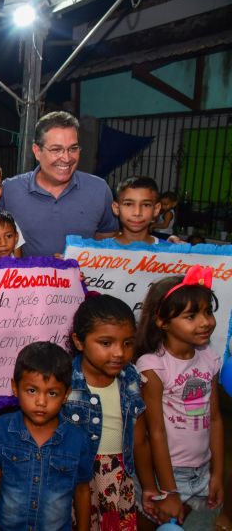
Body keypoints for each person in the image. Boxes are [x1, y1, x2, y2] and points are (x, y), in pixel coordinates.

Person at [0, 342, 94, 531]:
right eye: (32, 391)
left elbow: (82, 491)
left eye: (52, 393)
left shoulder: (77, 438)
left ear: (66, 394)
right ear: (15, 388)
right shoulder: (2, 428)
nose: (41, 402)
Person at [134, 267, 223, 526]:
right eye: (191, 316)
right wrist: (169, 491)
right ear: (162, 321)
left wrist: (218, 473)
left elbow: (215, 419)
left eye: (208, 312)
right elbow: (156, 432)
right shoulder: (153, 366)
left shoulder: (209, 357)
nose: (205, 321)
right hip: (168, 474)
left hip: (204, 471)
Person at [63, 294, 155, 530]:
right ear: (79, 341)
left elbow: (140, 440)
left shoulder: (131, 378)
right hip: (75, 480)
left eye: (127, 343)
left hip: (118, 478)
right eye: (106, 343)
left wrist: (149, 487)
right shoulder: (65, 381)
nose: (119, 353)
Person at [0, 112, 118, 257]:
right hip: (25, 279)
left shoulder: (99, 190)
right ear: (37, 151)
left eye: (73, 149)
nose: (67, 158)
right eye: (56, 150)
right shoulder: (9, 190)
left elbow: (107, 237)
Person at [111, 176, 162, 245]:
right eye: (128, 204)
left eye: (146, 205)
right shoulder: (100, 251)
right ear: (116, 208)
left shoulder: (169, 251)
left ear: (156, 209)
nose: (137, 213)